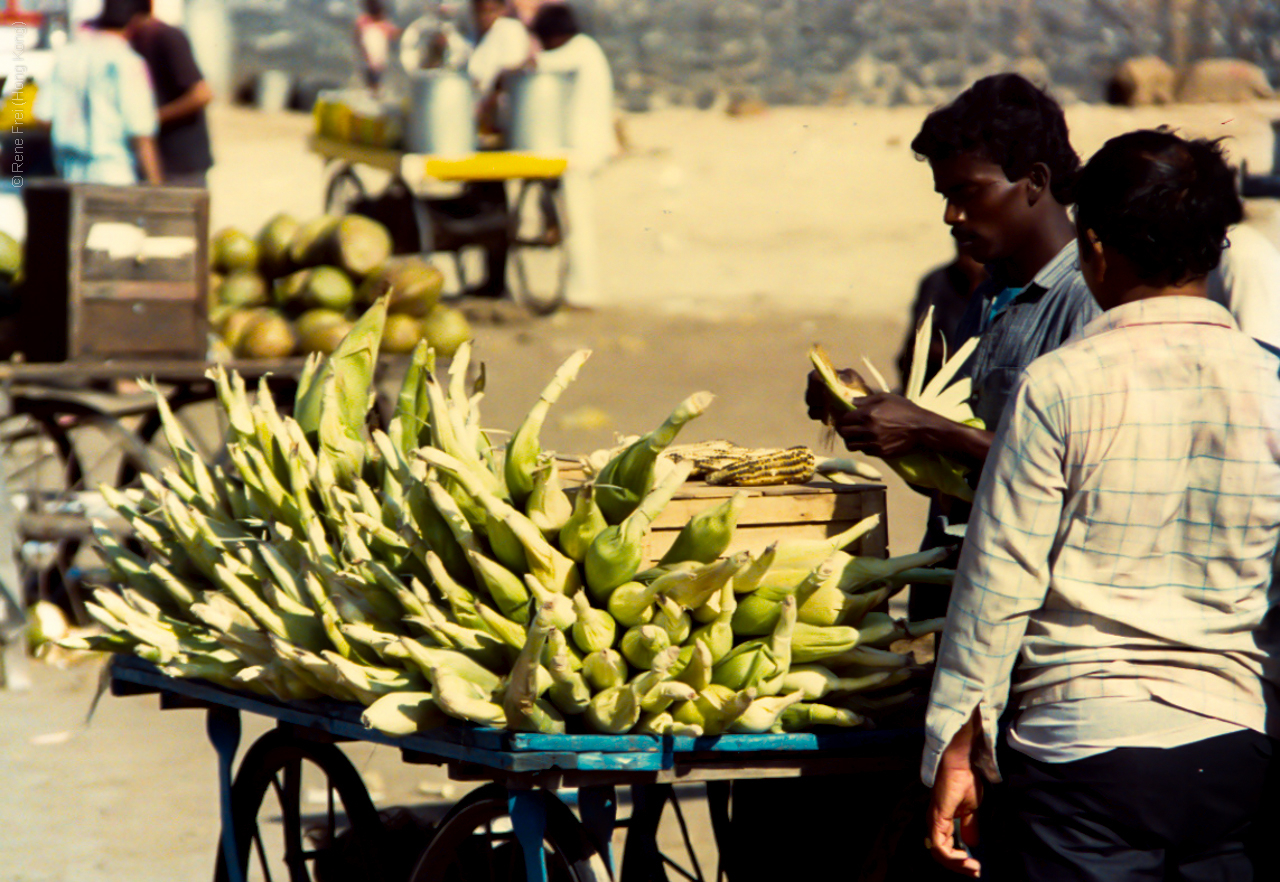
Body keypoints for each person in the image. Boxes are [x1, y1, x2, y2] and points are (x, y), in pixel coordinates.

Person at [925, 128, 1280, 880]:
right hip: (1234, 745)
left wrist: (957, 746)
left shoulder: (1059, 384)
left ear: (1093, 249)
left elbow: (998, 584)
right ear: (1215, 251)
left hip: (1083, 755)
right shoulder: (1269, 385)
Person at [807, 73, 1100, 620]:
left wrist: (923, 427)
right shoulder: (987, 295)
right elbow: (961, 469)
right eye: (945, 197)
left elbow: (1080, 473)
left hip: (1033, 620)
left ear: (1034, 181)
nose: (951, 217)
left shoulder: (1088, 300)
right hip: (957, 596)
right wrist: (868, 409)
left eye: (967, 193)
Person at [529, 3, 616, 309]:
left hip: (584, 151)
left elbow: (536, 64)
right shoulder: (584, 52)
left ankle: (583, 292)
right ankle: (576, 288)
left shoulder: (581, 50)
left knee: (577, 224)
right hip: (584, 149)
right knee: (572, 222)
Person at [33, 0, 160, 185]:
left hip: (68, 171)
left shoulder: (67, 55)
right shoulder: (127, 60)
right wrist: (156, 184)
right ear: (135, 22)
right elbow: (141, 133)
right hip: (114, 172)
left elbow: (44, 117)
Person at [126, 0, 212, 187]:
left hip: (182, 160)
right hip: (154, 156)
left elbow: (201, 94)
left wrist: (153, 118)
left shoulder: (167, 37)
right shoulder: (133, 42)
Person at [895, 246, 986, 388]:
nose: (972, 263)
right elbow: (919, 340)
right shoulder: (937, 281)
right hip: (937, 377)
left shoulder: (1003, 285)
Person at [354, 0, 400, 93]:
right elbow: (358, 36)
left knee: (376, 73)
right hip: (369, 56)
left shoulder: (382, 24)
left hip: (378, 57)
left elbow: (394, 33)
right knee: (371, 73)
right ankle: (373, 89)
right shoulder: (364, 21)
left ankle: (375, 89)